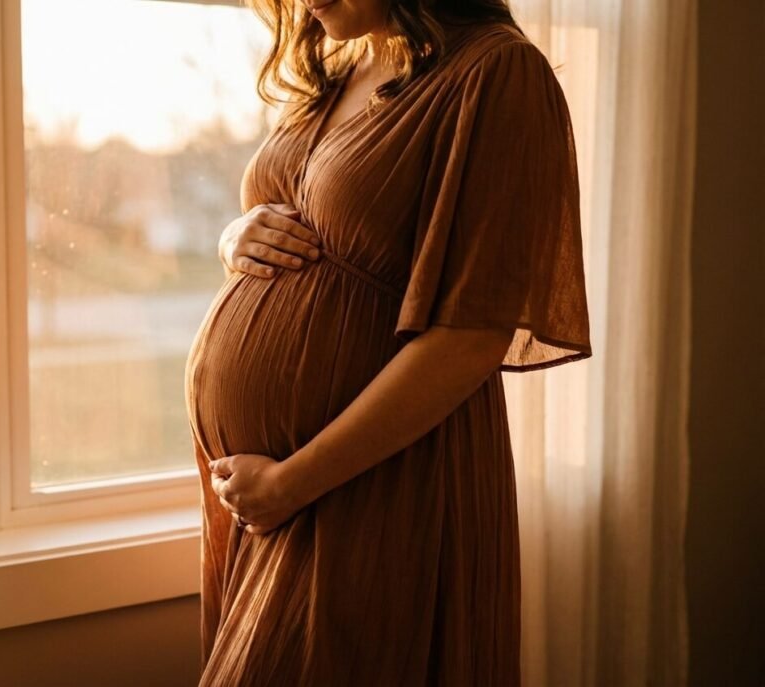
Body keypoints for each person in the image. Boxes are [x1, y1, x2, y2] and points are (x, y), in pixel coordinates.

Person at [183, 0, 592, 683]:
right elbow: (312, 222)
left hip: (379, 481)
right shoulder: (346, 61)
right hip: (274, 497)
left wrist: (292, 481)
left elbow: (472, 336)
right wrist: (236, 235)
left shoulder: (496, 73)